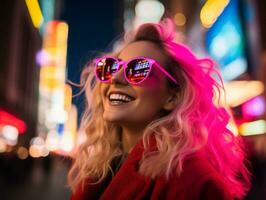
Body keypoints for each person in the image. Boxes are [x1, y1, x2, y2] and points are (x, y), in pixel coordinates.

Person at [68, 19, 250, 200]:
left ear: (173, 97)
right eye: (111, 67)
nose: (115, 77)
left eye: (138, 69)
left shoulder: (196, 183)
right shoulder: (101, 168)